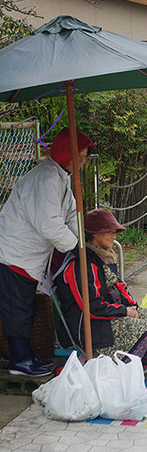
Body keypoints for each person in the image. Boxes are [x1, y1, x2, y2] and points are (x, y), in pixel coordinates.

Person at [0, 127, 94, 377]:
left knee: (26, 308)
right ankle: (19, 361)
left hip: (28, 256)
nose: (84, 158)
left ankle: (26, 354)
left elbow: (70, 218)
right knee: (17, 309)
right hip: (15, 254)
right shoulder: (46, 179)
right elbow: (50, 225)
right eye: (82, 153)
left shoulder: (61, 177)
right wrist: (75, 247)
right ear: (68, 154)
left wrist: (86, 245)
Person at [54, 208, 147, 380]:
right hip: (87, 326)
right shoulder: (81, 264)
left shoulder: (99, 257)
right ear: (94, 233)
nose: (114, 236)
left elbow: (118, 285)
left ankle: (144, 366)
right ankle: (124, 372)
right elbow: (90, 307)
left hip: (105, 316)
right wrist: (124, 311)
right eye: (110, 232)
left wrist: (131, 305)